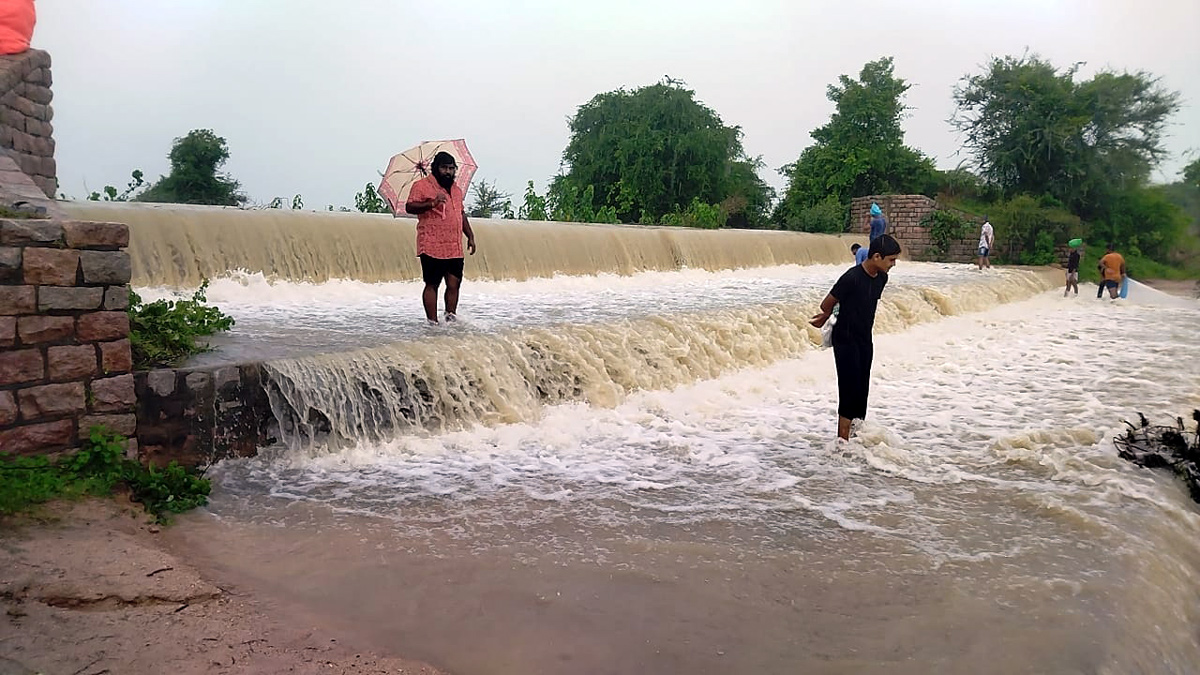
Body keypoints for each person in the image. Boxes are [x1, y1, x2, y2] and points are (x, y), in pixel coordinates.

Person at [810, 234, 902, 441]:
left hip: (864, 338)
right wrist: (827, 315)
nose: (893, 264)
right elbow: (826, 304)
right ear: (877, 257)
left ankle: (857, 439)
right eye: (891, 260)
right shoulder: (851, 277)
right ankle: (842, 441)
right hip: (845, 338)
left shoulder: (881, 278)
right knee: (849, 388)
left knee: (862, 388)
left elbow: (865, 302)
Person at [405, 152, 477, 324]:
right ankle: (432, 323)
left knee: (454, 283)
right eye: (444, 168)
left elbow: (461, 213)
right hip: (431, 244)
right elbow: (410, 206)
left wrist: (470, 235)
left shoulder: (457, 190)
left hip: (453, 245)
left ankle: (450, 319)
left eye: (451, 168)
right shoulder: (421, 186)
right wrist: (432, 203)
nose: (448, 172)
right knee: (432, 284)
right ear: (436, 168)